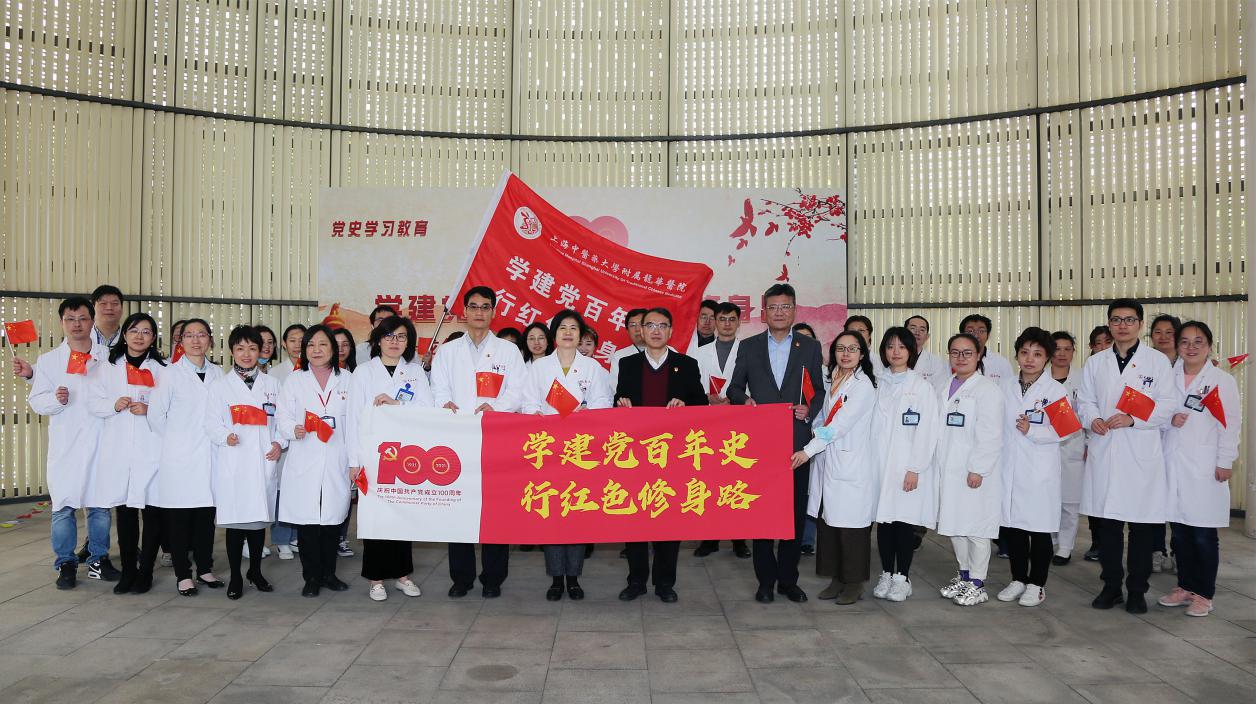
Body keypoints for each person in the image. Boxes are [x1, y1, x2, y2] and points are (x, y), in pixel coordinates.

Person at [727, 283, 825, 603]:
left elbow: (819, 391)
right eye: (773, 307)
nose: (779, 312)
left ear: (794, 310)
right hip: (760, 443)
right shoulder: (749, 346)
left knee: (794, 515)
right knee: (763, 513)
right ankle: (765, 581)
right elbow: (734, 388)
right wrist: (745, 402)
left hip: (797, 443)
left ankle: (788, 581)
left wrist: (809, 409)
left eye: (785, 307)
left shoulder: (809, 347)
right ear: (764, 312)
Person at [1077, 298, 1176, 614]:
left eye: (1129, 319)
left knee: (1141, 529)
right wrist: (1092, 418)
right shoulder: (1096, 362)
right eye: (1116, 320)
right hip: (1106, 448)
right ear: (1109, 324)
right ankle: (1111, 587)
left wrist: (1133, 419)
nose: (1123, 325)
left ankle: (1136, 590)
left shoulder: (1157, 362)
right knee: (1107, 528)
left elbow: (1168, 404)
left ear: (1140, 325)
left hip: (1140, 452)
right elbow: (1085, 401)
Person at [430, 286, 527, 598]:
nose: (479, 312)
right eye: (473, 306)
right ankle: (461, 578)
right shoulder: (448, 351)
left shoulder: (508, 351)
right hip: (457, 438)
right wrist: (444, 404)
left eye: (486, 307)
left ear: (494, 312)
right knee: (458, 506)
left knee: (496, 509)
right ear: (465, 312)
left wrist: (496, 407)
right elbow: (438, 386)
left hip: (496, 437)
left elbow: (518, 390)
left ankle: (493, 578)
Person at [615, 307, 708, 604]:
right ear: (640, 330)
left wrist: (685, 406)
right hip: (637, 456)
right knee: (635, 519)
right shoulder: (628, 364)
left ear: (671, 331)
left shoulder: (686, 364)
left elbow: (702, 405)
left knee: (669, 520)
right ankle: (636, 581)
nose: (656, 331)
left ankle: (665, 583)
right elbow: (618, 401)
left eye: (662, 325)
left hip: (673, 456)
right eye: (650, 325)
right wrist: (621, 404)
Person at [524, 311, 613, 601]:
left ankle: (573, 577)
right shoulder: (539, 367)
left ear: (580, 335)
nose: (567, 333)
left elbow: (603, 402)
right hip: (548, 450)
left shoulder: (592, 367)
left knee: (576, 512)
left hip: (580, 450)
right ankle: (555, 578)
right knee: (552, 513)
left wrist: (589, 412)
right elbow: (528, 403)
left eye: (574, 328)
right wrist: (536, 415)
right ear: (554, 334)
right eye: (562, 327)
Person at [28, 297, 113, 590]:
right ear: (62, 322)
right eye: (70, 319)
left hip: (101, 441)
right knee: (63, 507)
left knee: (100, 506)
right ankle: (65, 563)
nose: (77, 325)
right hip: (67, 446)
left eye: (82, 318)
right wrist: (56, 400)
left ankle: (99, 559)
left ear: (92, 321)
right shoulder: (49, 361)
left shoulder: (108, 357)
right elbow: (37, 401)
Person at [347, 316, 433, 602]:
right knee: (375, 517)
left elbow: (428, 410)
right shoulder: (363, 373)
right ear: (378, 340)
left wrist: (398, 404)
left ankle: (403, 576)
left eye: (401, 337)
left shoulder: (416, 372)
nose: (395, 342)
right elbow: (352, 419)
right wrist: (354, 461)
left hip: (407, 455)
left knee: (402, 516)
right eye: (388, 336)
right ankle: (376, 579)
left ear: (409, 342)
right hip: (373, 456)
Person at [1159, 321, 1242, 617]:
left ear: (1209, 346)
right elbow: (1156, 414)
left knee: (1203, 534)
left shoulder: (1221, 380)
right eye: (1185, 341)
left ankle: (1204, 594)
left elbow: (1230, 425)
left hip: (1205, 466)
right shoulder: (1167, 377)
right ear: (1177, 346)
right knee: (1179, 533)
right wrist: (1169, 420)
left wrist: (1225, 461)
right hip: (1173, 464)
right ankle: (1185, 586)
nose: (1191, 347)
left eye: (1198, 342)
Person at [795, 331, 878, 605]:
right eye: (841, 348)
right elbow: (823, 417)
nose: (846, 354)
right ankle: (836, 579)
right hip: (829, 461)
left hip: (850, 464)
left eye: (852, 349)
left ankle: (854, 583)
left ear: (862, 354)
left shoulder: (862, 387)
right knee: (829, 524)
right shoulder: (834, 379)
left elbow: (839, 426)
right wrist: (812, 425)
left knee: (851, 528)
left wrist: (808, 450)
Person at [87, 313, 166, 590]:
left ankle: (146, 573)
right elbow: (92, 403)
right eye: (134, 330)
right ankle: (128, 572)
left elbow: (175, 409)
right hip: (120, 451)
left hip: (152, 450)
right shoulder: (107, 367)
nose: (139, 336)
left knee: (153, 513)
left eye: (146, 332)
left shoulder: (163, 370)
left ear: (153, 338)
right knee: (125, 514)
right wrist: (113, 404)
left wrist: (150, 410)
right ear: (125, 335)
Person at [146, 318, 225, 596]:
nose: (195, 340)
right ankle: (183, 574)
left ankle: (204, 568)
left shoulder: (218, 373)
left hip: (211, 456)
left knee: (206, 516)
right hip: (179, 457)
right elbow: (155, 415)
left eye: (201, 335)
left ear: (210, 340)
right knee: (179, 519)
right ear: (181, 341)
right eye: (189, 335)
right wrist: (178, 440)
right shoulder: (169, 374)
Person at [997, 327, 1074, 607]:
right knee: (1015, 528)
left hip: (1039, 470)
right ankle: (1018, 579)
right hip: (1009, 467)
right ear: (1017, 355)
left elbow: (1066, 430)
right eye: (1025, 353)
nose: (1030, 359)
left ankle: (1036, 584)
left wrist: (1033, 431)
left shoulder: (1055, 391)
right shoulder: (1004, 386)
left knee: (1040, 530)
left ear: (1047, 358)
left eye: (1038, 354)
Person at [205, 326, 283, 599]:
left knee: (259, 523)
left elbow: (282, 421)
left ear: (261, 351)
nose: (246, 354)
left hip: (262, 460)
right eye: (240, 349)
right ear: (232, 352)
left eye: (252, 348)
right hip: (234, 460)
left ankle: (256, 572)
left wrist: (279, 443)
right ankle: (237, 576)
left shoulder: (272, 385)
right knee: (236, 524)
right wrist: (225, 436)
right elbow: (210, 422)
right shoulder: (220, 386)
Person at [277, 324, 353, 597]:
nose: (316, 350)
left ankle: (329, 574)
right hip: (305, 456)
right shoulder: (295, 380)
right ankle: (311, 577)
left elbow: (356, 421)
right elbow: (282, 416)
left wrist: (355, 460)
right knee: (308, 523)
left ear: (333, 348)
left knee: (332, 521)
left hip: (336, 457)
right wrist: (292, 429)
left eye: (322, 344)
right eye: (310, 345)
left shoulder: (348, 380)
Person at [935, 333, 1005, 607]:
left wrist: (978, 469)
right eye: (955, 352)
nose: (961, 358)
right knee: (955, 525)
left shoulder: (987, 390)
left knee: (976, 528)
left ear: (978, 356)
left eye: (967, 353)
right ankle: (964, 575)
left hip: (973, 471)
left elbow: (991, 435)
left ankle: (977, 582)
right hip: (948, 468)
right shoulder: (945, 385)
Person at [870, 327, 940, 601]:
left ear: (911, 351)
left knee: (903, 523)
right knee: (884, 523)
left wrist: (915, 468)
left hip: (906, 468)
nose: (896, 352)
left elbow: (927, 431)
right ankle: (887, 573)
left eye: (901, 346)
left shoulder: (921, 387)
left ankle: (903, 577)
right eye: (890, 347)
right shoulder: (877, 383)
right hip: (880, 465)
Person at [692, 301, 750, 559]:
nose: (726, 324)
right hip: (708, 424)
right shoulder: (699, 353)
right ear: (714, 322)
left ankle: (739, 539)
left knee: (737, 482)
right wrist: (707, 397)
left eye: (731, 319)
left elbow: (754, 384)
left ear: (739, 323)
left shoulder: (749, 350)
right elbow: (692, 386)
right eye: (722, 319)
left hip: (739, 424)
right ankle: (709, 538)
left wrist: (736, 399)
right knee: (709, 482)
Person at [1147, 313, 1183, 573]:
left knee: (1180, 501)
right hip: (1150, 439)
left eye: (1169, 332)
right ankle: (1156, 550)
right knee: (1153, 499)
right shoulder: (1145, 364)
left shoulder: (1190, 365)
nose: (1163, 337)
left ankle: (1180, 551)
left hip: (1180, 441)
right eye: (1157, 332)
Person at [268, 323, 306, 559]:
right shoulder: (275, 374)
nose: (297, 345)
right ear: (284, 344)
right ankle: (281, 538)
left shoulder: (312, 371)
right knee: (281, 490)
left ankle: (296, 535)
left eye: (302, 340)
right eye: (292, 340)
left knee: (300, 489)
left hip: (305, 438)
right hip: (282, 439)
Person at [1050, 331, 1086, 565]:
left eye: (1067, 349)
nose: (1062, 354)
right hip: (1044, 447)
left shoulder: (1083, 379)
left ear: (1073, 352)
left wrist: (1089, 443)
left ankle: (1065, 547)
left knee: (1070, 502)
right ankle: (1050, 541)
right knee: (1047, 498)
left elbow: (1090, 412)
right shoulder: (1039, 379)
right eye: (1057, 349)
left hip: (1074, 445)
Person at [1082, 324, 1112, 562]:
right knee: (1096, 496)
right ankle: (1097, 542)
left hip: (1124, 439)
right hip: (1095, 439)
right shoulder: (1090, 368)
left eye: (1107, 342)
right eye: (1097, 343)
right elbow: (1084, 406)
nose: (1102, 347)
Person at [332, 327, 360, 557]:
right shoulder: (320, 373)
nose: (341, 349)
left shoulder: (357, 374)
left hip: (351, 445)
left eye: (345, 344)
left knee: (347, 495)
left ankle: (341, 537)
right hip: (328, 444)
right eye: (336, 344)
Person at [959, 314, 1014, 383]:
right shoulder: (954, 363)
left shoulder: (1002, 364)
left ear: (988, 335)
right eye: (970, 331)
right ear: (962, 335)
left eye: (981, 331)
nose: (976, 335)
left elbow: (1009, 387)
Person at [905, 315, 949, 393]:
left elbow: (940, 392)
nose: (917, 332)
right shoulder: (892, 358)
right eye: (913, 328)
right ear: (903, 333)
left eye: (922, 330)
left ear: (927, 337)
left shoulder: (938, 363)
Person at [608, 308, 648, 391]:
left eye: (641, 324)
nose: (637, 329)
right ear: (627, 331)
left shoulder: (668, 351)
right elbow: (615, 386)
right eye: (632, 325)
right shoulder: (620, 356)